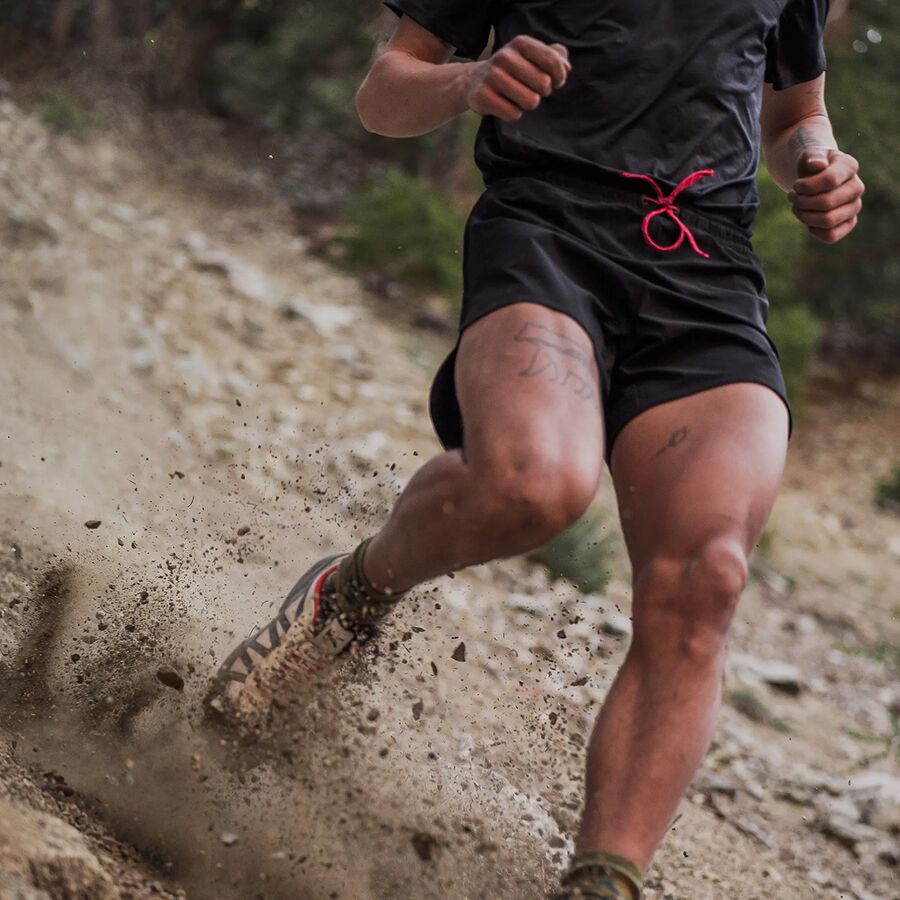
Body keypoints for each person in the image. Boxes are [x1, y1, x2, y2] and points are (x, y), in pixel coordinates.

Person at [207, 2, 864, 897]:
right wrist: (471, 82)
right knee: (530, 487)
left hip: (705, 271)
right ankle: (346, 597)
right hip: (549, 232)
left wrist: (818, 166)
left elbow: (793, 115)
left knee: (708, 573)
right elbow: (384, 92)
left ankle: (604, 882)